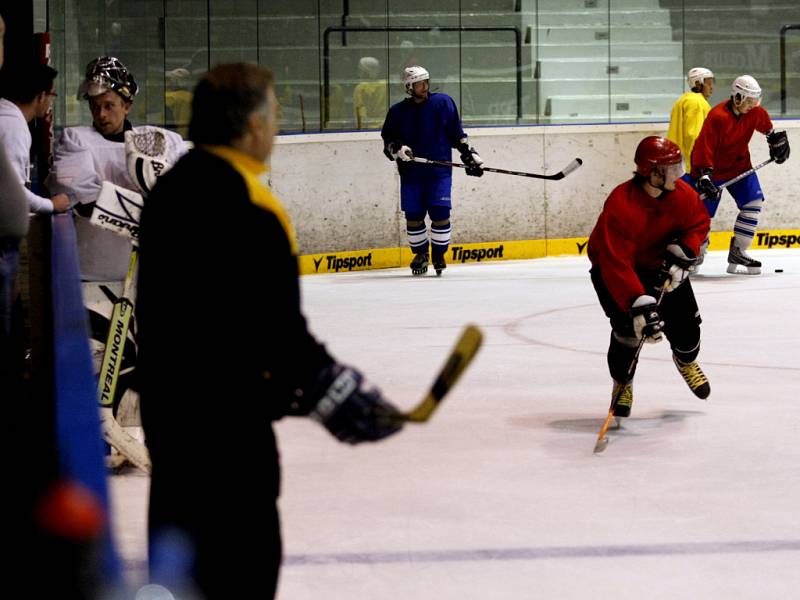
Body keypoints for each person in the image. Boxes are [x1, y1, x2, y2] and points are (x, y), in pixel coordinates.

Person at [136, 63, 403, 598]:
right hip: (231, 441)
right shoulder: (254, 204)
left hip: (170, 425)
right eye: (274, 115)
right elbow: (277, 331)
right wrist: (330, 387)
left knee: (178, 581)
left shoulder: (168, 193)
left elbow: (200, 324)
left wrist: (301, 391)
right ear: (254, 126)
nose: (276, 128)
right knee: (240, 577)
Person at [588, 136, 711, 419]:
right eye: (672, 168)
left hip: (661, 266)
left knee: (687, 327)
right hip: (615, 272)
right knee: (627, 333)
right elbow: (614, 261)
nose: (679, 174)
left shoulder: (682, 194)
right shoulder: (622, 204)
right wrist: (638, 304)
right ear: (654, 173)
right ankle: (622, 383)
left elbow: (698, 222)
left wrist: (685, 251)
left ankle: (686, 360)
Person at [381, 65, 483, 276]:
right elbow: (388, 142)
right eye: (419, 83)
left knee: (440, 213)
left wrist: (467, 153)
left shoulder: (443, 102)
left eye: (426, 82)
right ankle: (420, 254)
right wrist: (398, 148)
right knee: (414, 216)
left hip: (439, 171)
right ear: (409, 87)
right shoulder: (397, 112)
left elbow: (456, 133)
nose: (424, 86)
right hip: (411, 173)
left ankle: (438, 254)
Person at [684, 74, 790, 274]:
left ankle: (738, 252)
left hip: (741, 167)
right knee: (702, 215)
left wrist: (776, 142)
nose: (752, 105)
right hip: (712, 172)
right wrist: (705, 175)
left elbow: (769, 130)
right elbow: (703, 146)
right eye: (749, 100)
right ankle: (696, 253)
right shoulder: (717, 117)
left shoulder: (756, 113)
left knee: (753, 203)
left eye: (754, 100)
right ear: (738, 97)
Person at [0, 62, 69, 214]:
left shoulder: (6, 116)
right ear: (41, 96)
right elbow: (12, 193)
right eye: (53, 95)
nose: (51, 102)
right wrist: (52, 205)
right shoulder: (13, 126)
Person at [666, 67, 714, 174]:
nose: (712, 87)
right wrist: (700, 167)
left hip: (677, 162)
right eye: (708, 83)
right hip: (689, 167)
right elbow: (694, 136)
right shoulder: (696, 102)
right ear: (697, 84)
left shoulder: (683, 99)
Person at [353, 56, 386, 129]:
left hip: (368, 128)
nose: (359, 72)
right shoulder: (385, 85)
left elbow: (361, 113)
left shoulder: (360, 88)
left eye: (360, 70)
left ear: (366, 71)